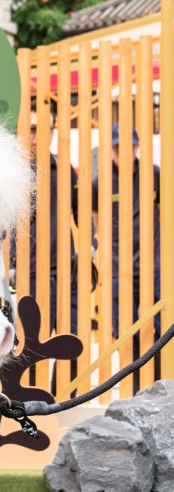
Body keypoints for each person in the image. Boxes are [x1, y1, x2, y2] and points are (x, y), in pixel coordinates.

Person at [13, 108, 92, 336]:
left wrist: (91, 244)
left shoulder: (65, 169)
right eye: (31, 129)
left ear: (52, 133)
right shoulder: (14, 172)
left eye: (42, 130)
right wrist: (9, 264)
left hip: (68, 273)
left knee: (73, 343)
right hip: (32, 275)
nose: (35, 136)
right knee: (32, 347)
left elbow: (81, 210)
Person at [92, 123, 161, 355]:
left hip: (153, 262)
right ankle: (132, 380)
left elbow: (161, 209)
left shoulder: (154, 174)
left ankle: (159, 379)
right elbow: (94, 216)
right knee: (123, 327)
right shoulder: (99, 181)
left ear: (137, 146)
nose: (123, 153)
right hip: (117, 264)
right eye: (117, 148)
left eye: (128, 147)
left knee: (160, 324)